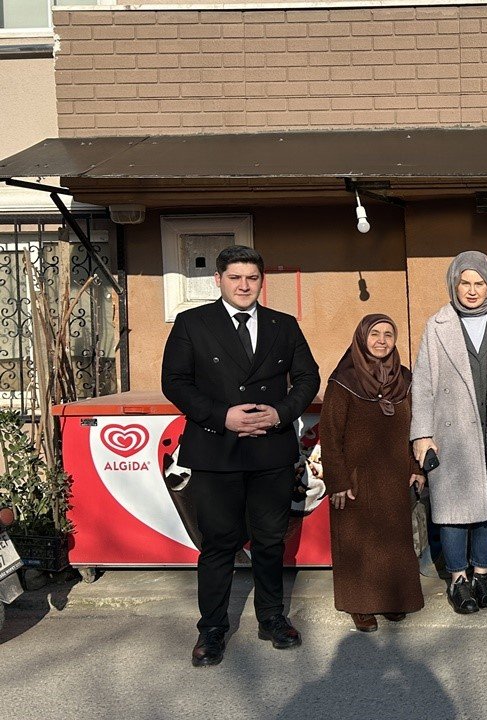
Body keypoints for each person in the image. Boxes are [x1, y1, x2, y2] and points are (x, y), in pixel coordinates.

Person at [161, 245, 320, 667]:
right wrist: (222, 416)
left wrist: (281, 412)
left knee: (269, 541)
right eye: (235, 277)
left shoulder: (283, 324)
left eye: (252, 278)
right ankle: (212, 629)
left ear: (261, 281)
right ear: (218, 280)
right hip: (216, 450)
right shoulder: (193, 323)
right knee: (218, 544)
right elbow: (174, 381)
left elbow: (308, 377)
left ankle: (272, 618)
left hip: (270, 448)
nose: (244, 285)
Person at [410, 252, 487, 615]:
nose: (472, 291)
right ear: (454, 285)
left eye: (479, 284)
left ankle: (482, 576)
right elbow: (423, 384)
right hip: (452, 431)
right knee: (453, 509)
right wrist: (421, 435)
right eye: (465, 283)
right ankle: (458, 579)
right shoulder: (437, 325)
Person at [320, 314, 425, 632]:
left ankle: (393, 599)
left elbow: (417, 427)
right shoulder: (343, 381)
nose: (381, 340)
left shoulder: (404, 379)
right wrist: (337, 480)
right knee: (359, 541)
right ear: (361, 338)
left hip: (394, 476)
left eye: (388, 334)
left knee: (393, 541)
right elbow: (330, 434)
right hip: (355, 478)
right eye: (375, 334)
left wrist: (416, 468)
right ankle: (360, 604)